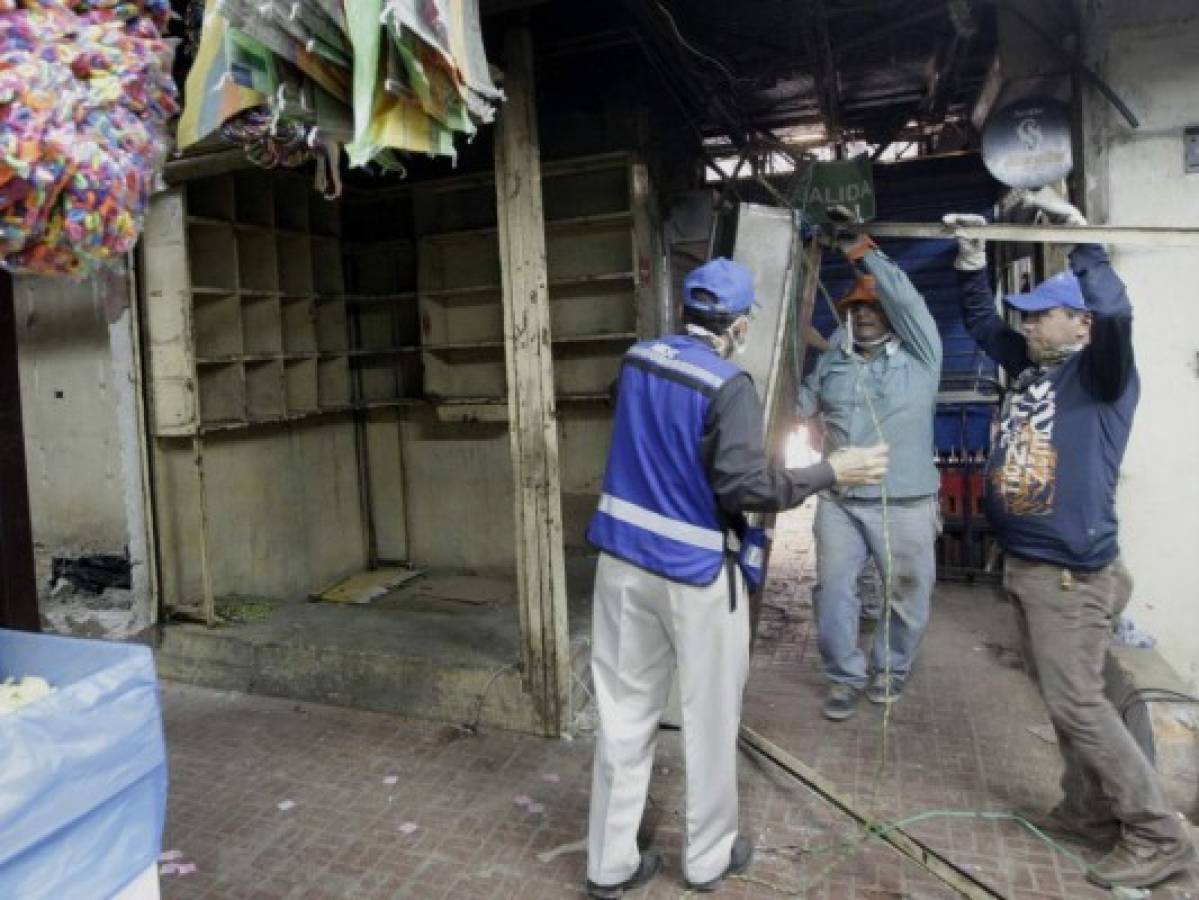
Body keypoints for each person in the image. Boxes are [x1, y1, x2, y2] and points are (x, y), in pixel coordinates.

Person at [584, 257, 888, 897]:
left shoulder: (638, 359)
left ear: (687, 311)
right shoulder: (729, 385)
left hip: (619, 564)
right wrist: (832, 471)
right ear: (740, 325)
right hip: (693, 574)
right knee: (709, 718)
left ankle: (609, 864)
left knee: (623, 715)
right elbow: (746, 486)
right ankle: (707, 858)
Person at [945, 190, 1196, 890]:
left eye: (1038, 316)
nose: (1023, 325)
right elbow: (976, 319)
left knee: (1078, 702)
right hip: (1030, 567)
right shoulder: (1034, 368)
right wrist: (970, 261)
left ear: (1076, 323)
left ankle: (1156, 834)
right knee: (1062, 698)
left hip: (1068, 576)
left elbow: (1116, 310)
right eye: (1023, 317)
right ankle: (1086, 810)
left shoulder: (1101, 375)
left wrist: (1085, 241)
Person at [797, 231, 943, 721]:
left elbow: (906, 297)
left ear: (890, 316)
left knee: (905, 593)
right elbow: (795, 406)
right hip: (840, 503)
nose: (861, 314)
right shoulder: (832, 364)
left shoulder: (922, 357)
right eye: (853, 308)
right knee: (834, 592)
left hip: (905, 503)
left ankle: (890, 669)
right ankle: (844, 677)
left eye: (871, 307)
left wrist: (862, 251)